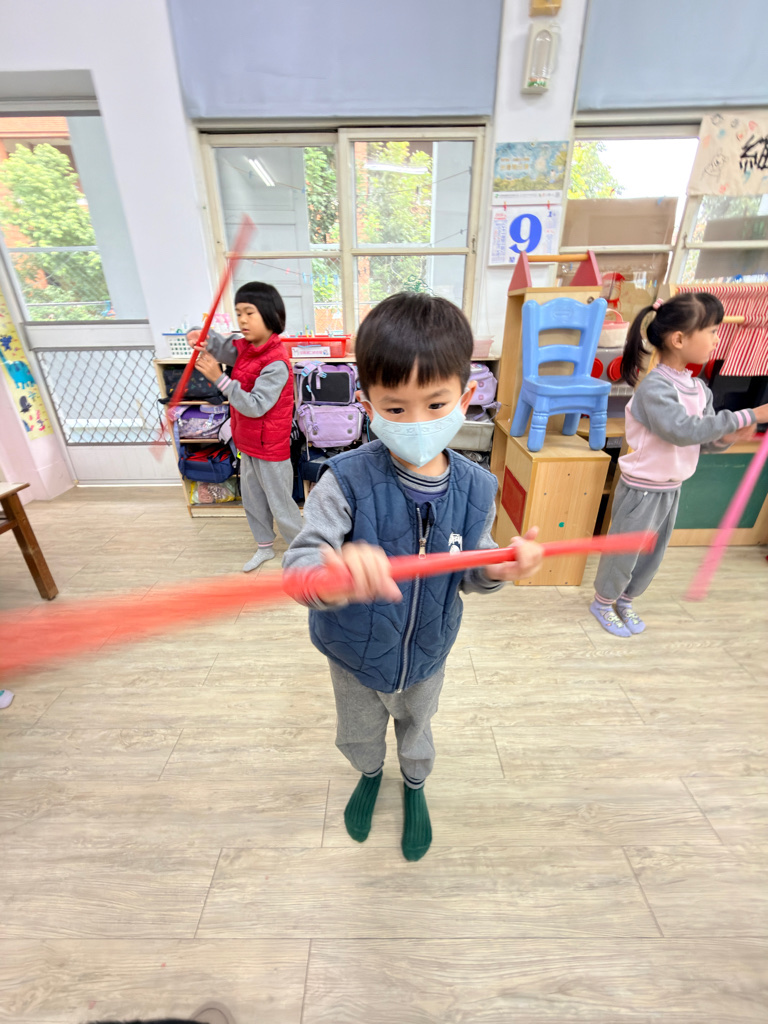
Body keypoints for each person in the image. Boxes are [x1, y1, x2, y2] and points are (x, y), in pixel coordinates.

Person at [283, 292, 543, 861]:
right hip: (353, 653)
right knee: (359, 732)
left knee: (418, 729)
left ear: (466, 398)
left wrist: (496, 567)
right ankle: (369, 774)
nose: (417, 423)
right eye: (396, 409)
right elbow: (300, 563)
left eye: (435, 403)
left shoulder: (478, 488)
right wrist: (332, 575)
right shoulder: (344, 480)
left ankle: (415, 784)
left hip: (428, 651)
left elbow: (471, 568)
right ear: (367, 404)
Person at [591, 292, 768, 637]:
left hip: (672, 489)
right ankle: (603, 601)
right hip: (641, 490)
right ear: (679, 339)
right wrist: (749, 414)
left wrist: (730, 436)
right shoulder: (654, 388)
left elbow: (704, 441)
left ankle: (626, 599)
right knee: (624, 552)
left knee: (652, 555)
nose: (717, 339)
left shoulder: (700, 389)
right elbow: (681, 430)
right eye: (712, 331)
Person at [188, 282, 303, 572]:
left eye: (249, 313)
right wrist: (200, 335)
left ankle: (304, 551)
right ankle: (264, 547)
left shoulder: (276, 363)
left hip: (271, 448)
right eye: (238, 313)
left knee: (281, 504)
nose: (242, 320)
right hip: (248, 444)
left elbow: (255, 405)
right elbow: (222, 346)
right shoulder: (245, 348)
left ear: (270, 314)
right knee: (253, 500)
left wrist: (220, 378)